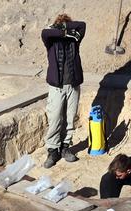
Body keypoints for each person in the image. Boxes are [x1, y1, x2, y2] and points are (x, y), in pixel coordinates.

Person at [41, 14, 86, 168]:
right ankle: (53, 150)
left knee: (69, 118)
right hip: (56, 87)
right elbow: (45, 33)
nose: (64, 29)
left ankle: (65, 147)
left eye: (66, 26)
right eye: (61, 26)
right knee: (54, 118)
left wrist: (68, 28)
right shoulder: (51, 41)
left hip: (73, 86)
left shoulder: (75, 39)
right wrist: (63, 31)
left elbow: (82, 25)